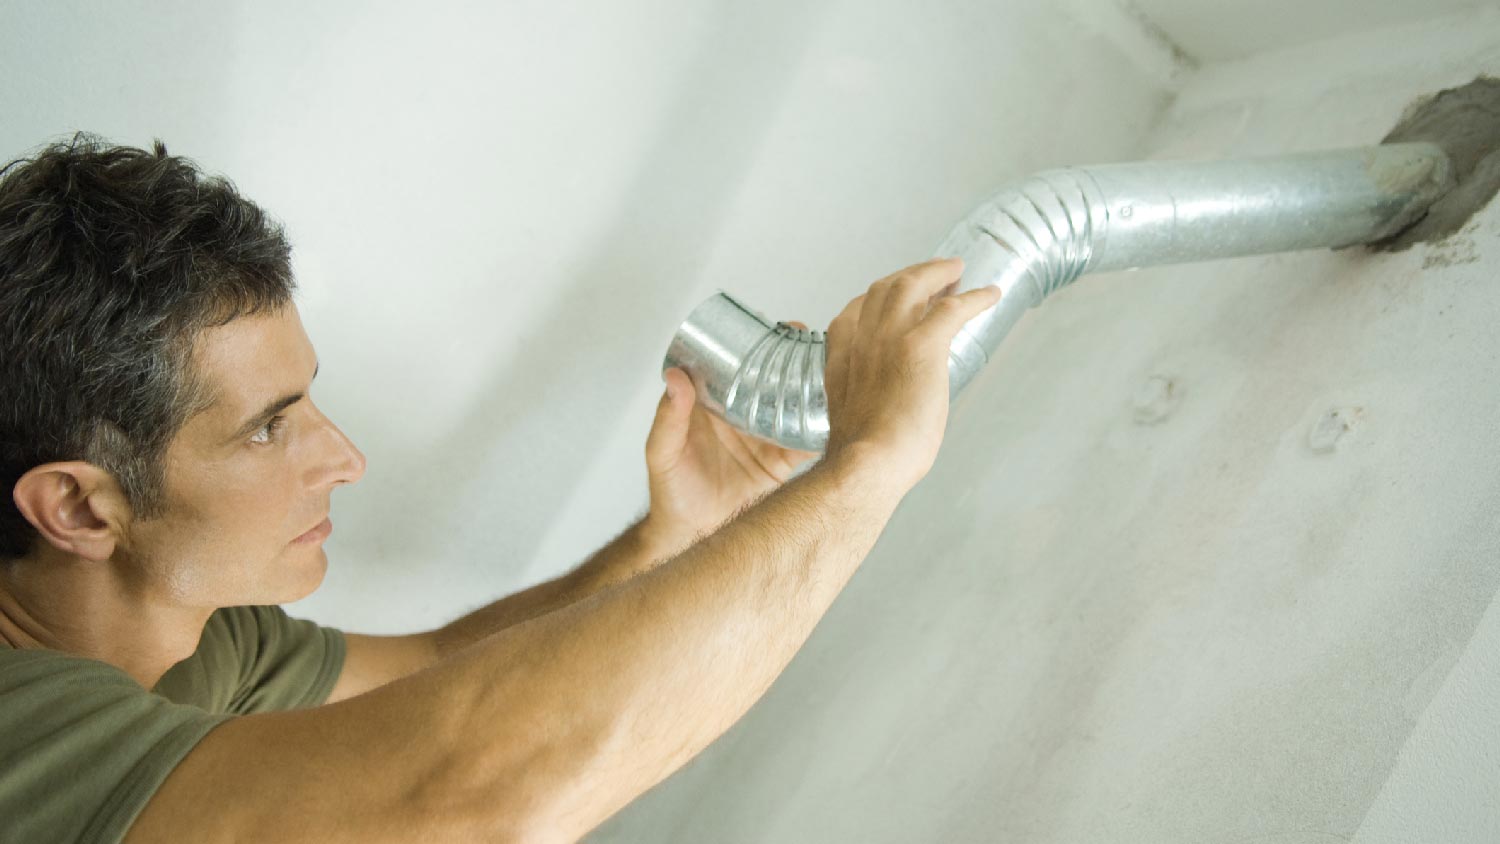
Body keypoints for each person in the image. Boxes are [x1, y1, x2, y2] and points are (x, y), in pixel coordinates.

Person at [0, 134, 1003, 844]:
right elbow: (479, 796)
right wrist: (871, 464)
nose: (343, 455)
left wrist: (672, 537)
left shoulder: (199, 633)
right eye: (270, 425)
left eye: (308, 400)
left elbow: (437, 665)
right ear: (83, 508)